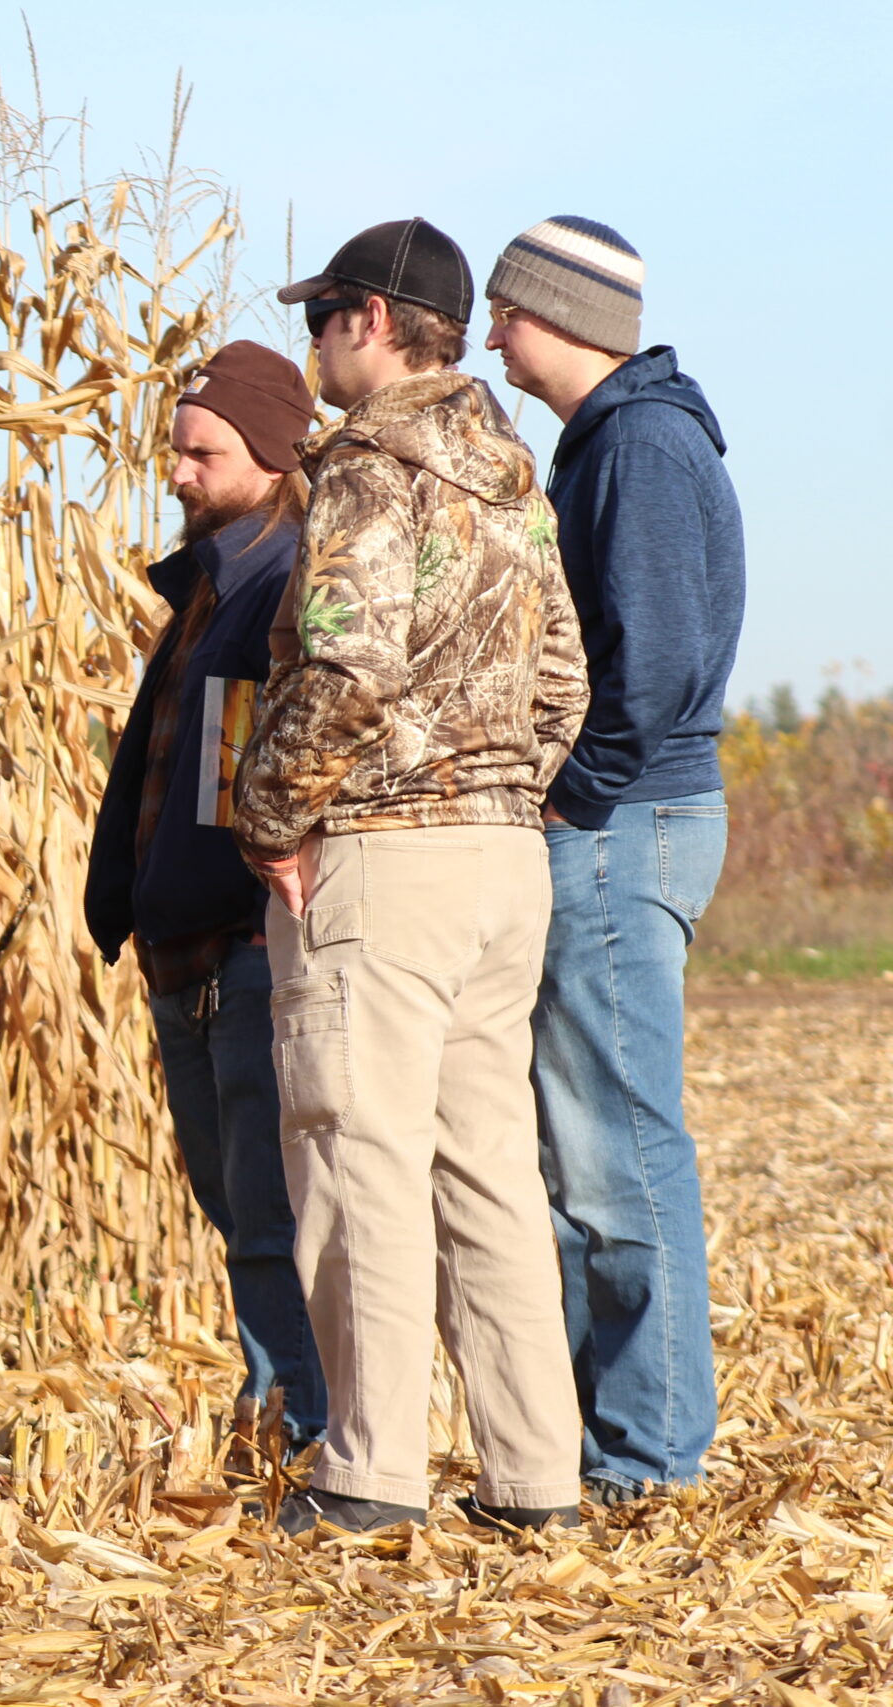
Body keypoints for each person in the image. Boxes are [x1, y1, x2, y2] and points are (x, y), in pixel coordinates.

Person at [240, 219, 592, 1535]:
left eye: (325, 308)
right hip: (507, 862)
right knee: (488, 1172)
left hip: (382, 861)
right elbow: (565, 676)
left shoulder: (370, 468)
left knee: (358, 1164)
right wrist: (501, 789)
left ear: (374, 320)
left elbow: (346, 665)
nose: (314, 333)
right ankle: (534, 1478)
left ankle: (370, 1475)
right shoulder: (512, 478)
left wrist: (270, 816)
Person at [485, 218, 745, 1504]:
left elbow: (649, 664)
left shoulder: (637, 446)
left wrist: (566, 804)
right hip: (631, 814)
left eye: (507, 313)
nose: (490, 337)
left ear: (564, 314)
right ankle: (619, 1444)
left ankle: (647, 1457)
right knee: (588, 1147)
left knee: (614, 1151)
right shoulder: (627, 439)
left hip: (619, 820)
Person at [85, 340, 328, 1464]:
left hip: (243, 948)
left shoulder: (281, 587)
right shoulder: (208, 591)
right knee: (235, 1206)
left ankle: (300, 1426)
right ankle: (284, 1408)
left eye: (202, 454)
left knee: (270, 1214)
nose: (176, 473)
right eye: (176, 451)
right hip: (183, 951)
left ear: (273, 457)